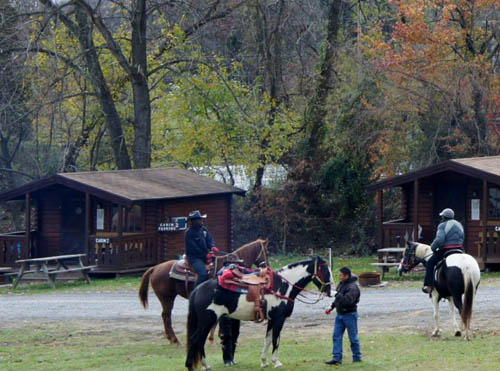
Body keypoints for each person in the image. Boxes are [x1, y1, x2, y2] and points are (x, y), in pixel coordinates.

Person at [325, 266, 362, 366]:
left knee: (353, 338)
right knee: (336, 337)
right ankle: (337, 359)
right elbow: (338, 299)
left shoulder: (353, 287)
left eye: (341, 275)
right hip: (340, 315)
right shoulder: (342, 284)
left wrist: (336, 294)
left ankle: (357, 358)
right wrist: (331, 307)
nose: (339, 277)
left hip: (350, 315)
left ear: (347, 276)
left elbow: (348, 301)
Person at [422, 208, 464, 294]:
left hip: (446, 249)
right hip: (459, 248)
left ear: (444, 217)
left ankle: (429, 286)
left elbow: (439, 240)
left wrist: (433, 247)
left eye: (442, 216)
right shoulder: (459, 224)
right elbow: (462, 237)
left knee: (430, 263)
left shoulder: (442, 225)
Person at [184, 210, 218, 286]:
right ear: (194, 221)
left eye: (201, 219)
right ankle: (196, 293)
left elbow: (209, 239)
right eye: (200, 219)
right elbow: (193, 248)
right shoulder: (189, 233)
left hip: (204, 256)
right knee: (203, 273)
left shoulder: (204, 229)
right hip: (194, 258)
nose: (202, 221)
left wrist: (212, 246)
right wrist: (205, 254)